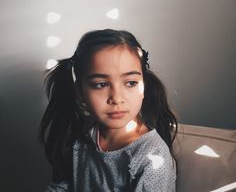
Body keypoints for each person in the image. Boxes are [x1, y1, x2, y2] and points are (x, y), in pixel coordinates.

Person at [39, 29, 178, 191]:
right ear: (79, 91)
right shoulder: (83, 135)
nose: (117, 98)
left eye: (131, 83)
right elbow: (65, 184)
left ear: (144, 86)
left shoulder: (152, 157)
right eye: (101, 84)